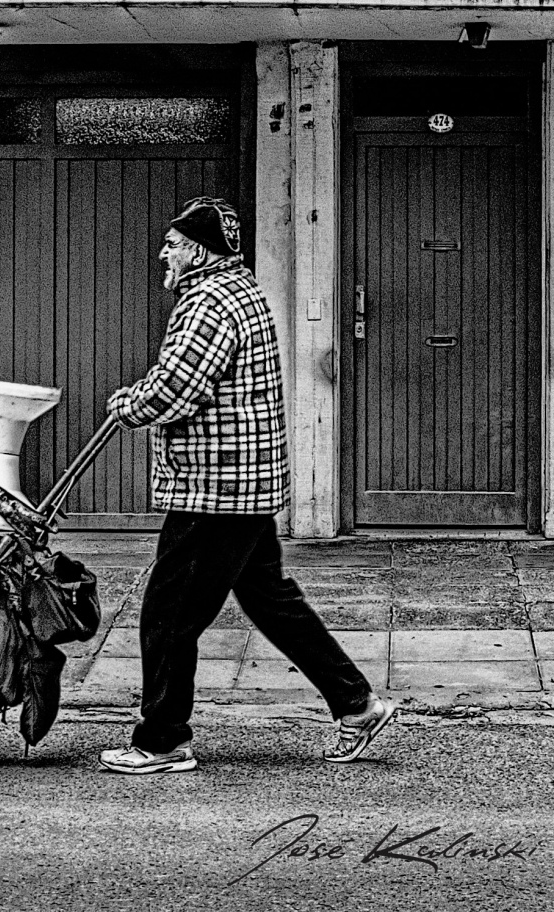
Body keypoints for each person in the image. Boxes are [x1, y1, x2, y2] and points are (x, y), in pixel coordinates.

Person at [98, 197, 394, 775]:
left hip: (216, 486)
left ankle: (162, 740)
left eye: (174, 244)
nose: (164, 253)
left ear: (199, 251)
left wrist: (126, 404)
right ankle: (356, 705)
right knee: (271, 600)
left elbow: (177, 390)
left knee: (168, 613)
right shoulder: (243, 289)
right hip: (246, 481)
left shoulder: (207, 304)